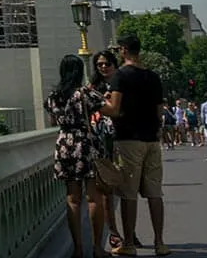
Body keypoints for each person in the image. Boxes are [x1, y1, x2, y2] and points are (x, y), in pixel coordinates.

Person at [102, 34, 170, 256]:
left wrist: (96, 103)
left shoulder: (121, 76)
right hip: (151, 139)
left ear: (123, 50)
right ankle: (160, 242)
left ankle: (129, 243)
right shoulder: (153, 76)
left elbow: (113, 108)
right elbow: (160, 111)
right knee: (154, 193)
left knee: (128, 193)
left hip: (129, 138)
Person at [46, 53, 108, 258]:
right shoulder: (85, 94)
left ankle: (78, 248)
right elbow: (108, 110)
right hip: (85, 143)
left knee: (73, 199)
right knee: (93, 198)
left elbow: (53, 121)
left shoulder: (53, 97)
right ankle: (97, 247)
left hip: (64, 144)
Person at [91, 49, 142, 254]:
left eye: (107, 63)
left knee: (128, 187)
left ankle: (130, 232)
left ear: (114, 64)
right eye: (100, 64)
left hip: (125, 138)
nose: (103, 67)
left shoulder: (124, 83)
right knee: (106, 190)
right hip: (102, 141)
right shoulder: (93, 88)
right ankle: (113, 232)